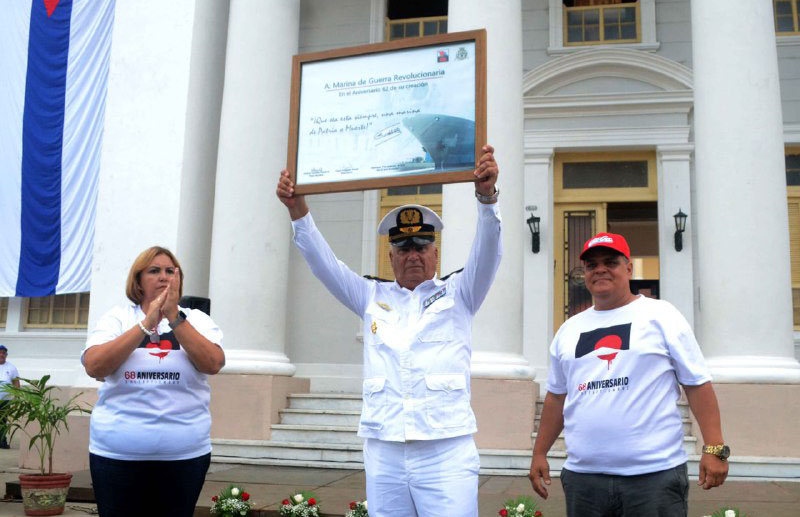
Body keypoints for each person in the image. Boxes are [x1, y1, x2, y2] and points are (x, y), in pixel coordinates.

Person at [276, 144, 501, 517]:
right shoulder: (369, 296)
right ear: (391, 255)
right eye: (403, 246)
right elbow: (324, 264)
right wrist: (298, 212)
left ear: (435, 252)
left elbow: (489, 250)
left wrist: (487, 197)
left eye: (421, 245)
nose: (413, 253)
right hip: (385, 450)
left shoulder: (460, 292)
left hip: (444, 449)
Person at [529, 232, 729, 517]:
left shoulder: (661, 315)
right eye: (591, 264)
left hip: (653, 477)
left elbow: (697, 384)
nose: (600, 269)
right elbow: (556, 398)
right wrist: (539, 453)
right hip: (584, 479)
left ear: (629, 268)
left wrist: (715, 449)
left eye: (610, 262)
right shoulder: (569, 330)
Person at [81, 246, 225, 517]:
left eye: (170, 271)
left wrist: (174, 318)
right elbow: (94, 365)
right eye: (154, 271)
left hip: (184, 456)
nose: (164, 277)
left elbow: (213, 363)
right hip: (117, 456)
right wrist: (146, 324)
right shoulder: (117, 318)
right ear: (137, 281)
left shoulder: (197, 320)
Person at [0, 345, 20, 449]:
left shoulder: (11, 367)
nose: (1, 355)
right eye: (0, 352)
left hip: (5, 400)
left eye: (3, 353)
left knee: (3, 421)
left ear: (6, 355)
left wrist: (16, 398)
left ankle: (2, 441)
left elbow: (16, 383)